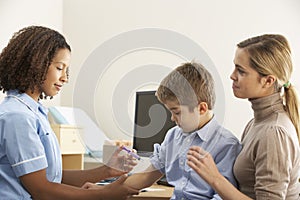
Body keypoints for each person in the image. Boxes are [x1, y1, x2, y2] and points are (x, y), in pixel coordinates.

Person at [0, 25, 139, 199]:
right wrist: (104, 194)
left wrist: (107, 171)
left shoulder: (34, 113)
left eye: (67, 70)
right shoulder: (17, 116)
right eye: (59, 68)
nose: (65, 78)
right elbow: (41, 190)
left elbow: (53, 177)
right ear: (35, 64)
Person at [84, 62, 242, 199]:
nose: (172, 119)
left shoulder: (226, 145)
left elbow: (223, 195)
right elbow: (147, 176)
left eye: (177, 112)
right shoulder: (173, 136)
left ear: (201, 108)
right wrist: (103, 191)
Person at [187, 34, 300, 200]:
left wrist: (215, 178)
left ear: (268, 81)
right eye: (235, 67)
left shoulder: (273, 132)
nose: (232, 76)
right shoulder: (256, 123)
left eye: (241, 71)